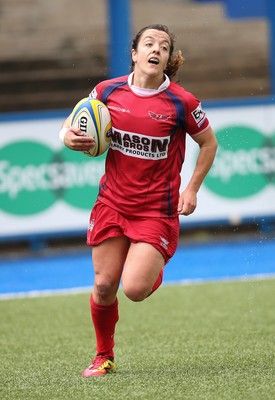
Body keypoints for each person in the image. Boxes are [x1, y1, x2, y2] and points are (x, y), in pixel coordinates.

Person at [59, 24, 218, 377]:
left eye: (163, 46)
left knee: (133, 289)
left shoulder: (182, 102)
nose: (156, 49)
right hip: (112, 203)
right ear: (134, 53)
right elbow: (71, 125)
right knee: (103, 286)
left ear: (167, 59)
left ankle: (148, 269)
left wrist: (191, 189)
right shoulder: (107, 90)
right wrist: (68, 137)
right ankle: (104, 356)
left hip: (155, 211)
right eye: (149, 43)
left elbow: (209, 143)